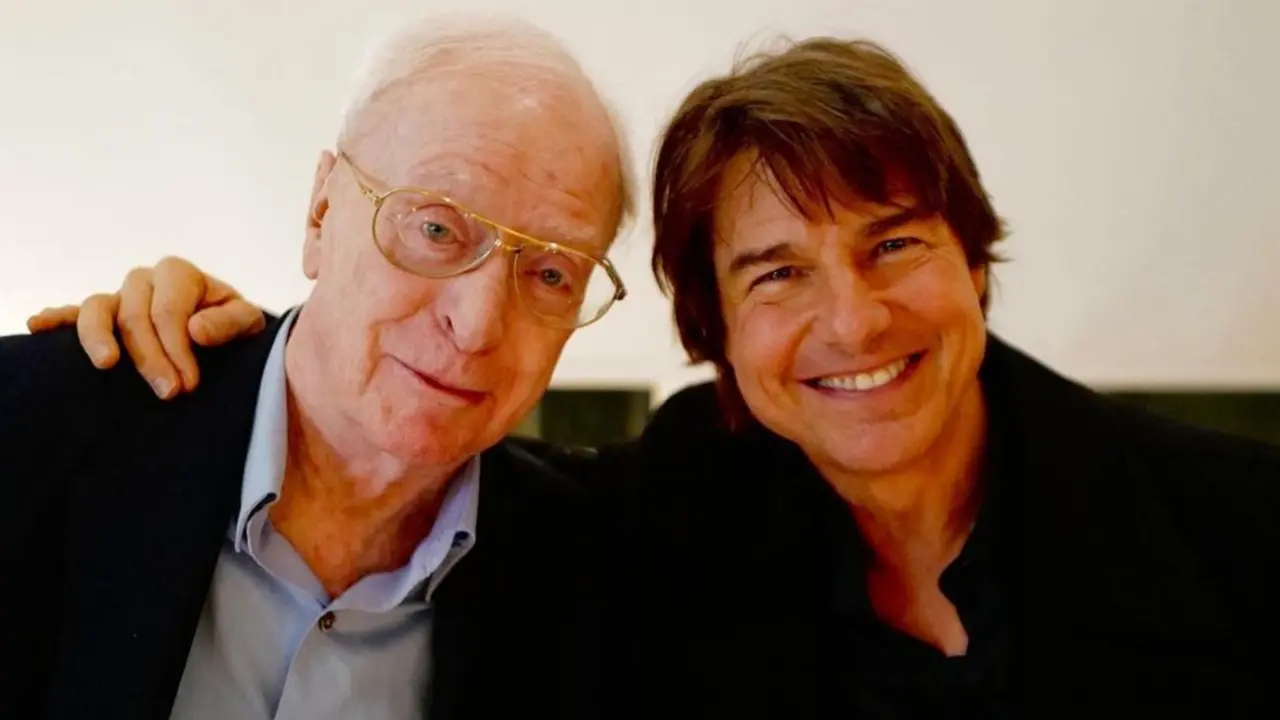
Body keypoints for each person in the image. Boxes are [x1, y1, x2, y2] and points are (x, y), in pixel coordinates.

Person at [26, 35, 1280, 718]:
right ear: (712, 329)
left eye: (895, 244)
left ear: (973, 255)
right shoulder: (659, 519)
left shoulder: (1234, 529)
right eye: (775, 273)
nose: (852, 320)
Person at [1, 15, 633, 720]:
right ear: (321, 212)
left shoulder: (591, 575)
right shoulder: (37, 428)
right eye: (435, 228)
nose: (478, 325)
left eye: (551, 273)